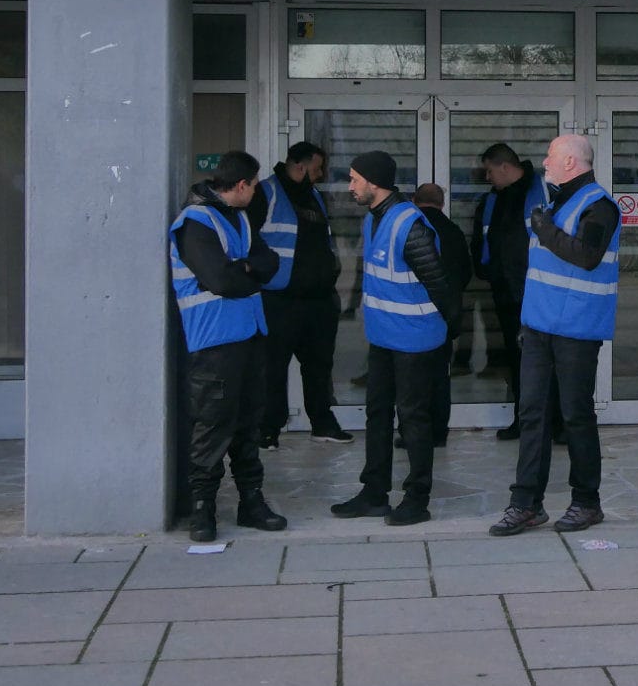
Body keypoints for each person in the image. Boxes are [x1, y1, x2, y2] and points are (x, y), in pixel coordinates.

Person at [489, 134, 621, 536]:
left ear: (570, 162)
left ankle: (586, 502)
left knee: (575, 415)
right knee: (532, 414)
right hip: (539, 327)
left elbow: (586, 255)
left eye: (550, 157)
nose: (543, 163)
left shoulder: (599, 206)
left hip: (577, 329)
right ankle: (525, 503)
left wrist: (545, 230)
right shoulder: (553, 202)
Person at [330, 151, 464, 526]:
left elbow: (440, 282)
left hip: (416, 341)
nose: (351, 186)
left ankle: (416, 499)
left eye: (355, 179)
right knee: (377, 414)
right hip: (386, 338)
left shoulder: (409, 223)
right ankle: (374, 493)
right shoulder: (375, 220)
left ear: (374, 182)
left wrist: (451, 330)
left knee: (413, 420)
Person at [168, 150, 287, 543]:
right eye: (254, 186)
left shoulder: (238, 218)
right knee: (213, 425)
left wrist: (247, 269)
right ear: (242, 185)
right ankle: (203, 508)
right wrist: (246, 270)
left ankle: (251, 501)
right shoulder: (195, 222)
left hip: (250, 333)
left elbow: (268, 263)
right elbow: (222, 280)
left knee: (248, 424)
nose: (256, 192)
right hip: (214, 341)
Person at [248, 142, 350, 448]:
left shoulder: (313, 195)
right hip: (279, 299)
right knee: (273, 368)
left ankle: (322, 422)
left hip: (318, 300)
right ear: (301, 166)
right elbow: (250, 241)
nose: (320, 175)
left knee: (319, 366)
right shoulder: (266, 193)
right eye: (317, 169)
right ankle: (268, 430)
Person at [470, 143, 557, 441]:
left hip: (539, 290)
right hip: (507, 293)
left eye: (490, 170)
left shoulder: (543, 191)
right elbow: (483, 238)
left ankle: (556, 424)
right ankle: (524, 421)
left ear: (505, 167)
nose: (487, 177)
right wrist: (486, 271)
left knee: (548, 359)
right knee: (517, 359)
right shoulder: (494, 199)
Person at [411, 183, 472, 447]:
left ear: (415, 201)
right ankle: (438, 431)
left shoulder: (412, 230)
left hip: (414, 314)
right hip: (446, 314)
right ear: (442, 203)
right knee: (439, 375)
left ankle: (416, 432)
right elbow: (466, 272)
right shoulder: (454, 232)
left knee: (413, 377)